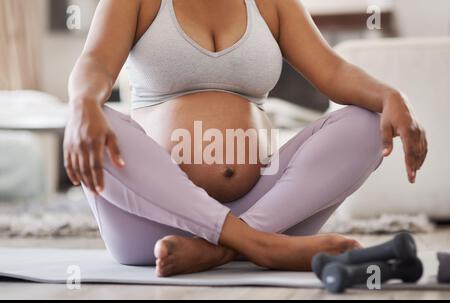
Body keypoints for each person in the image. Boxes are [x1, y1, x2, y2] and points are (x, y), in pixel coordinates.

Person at [63, 0, 427, 277]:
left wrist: (392, 97)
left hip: (264, 209)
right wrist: (82, 103)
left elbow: (332, 70)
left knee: (366, 123)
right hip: (153, 222)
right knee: (92, 120)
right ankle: (260, 246)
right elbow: (95, 61)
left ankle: (234, 243)